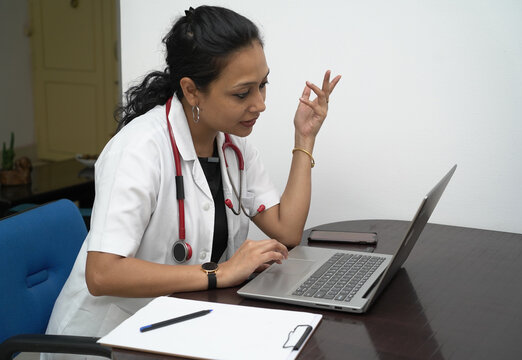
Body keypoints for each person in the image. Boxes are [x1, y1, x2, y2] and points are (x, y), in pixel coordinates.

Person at [44, 5, 340, 357]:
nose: (260, 104)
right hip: (107, 339)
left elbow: (287, 231)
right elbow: (102, 274)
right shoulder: (139, 149)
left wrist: (304, 138)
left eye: (263, 85)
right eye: (243, 93)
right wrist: (220, 272)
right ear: (192, 90)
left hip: (180, 328)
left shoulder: (233, 144)